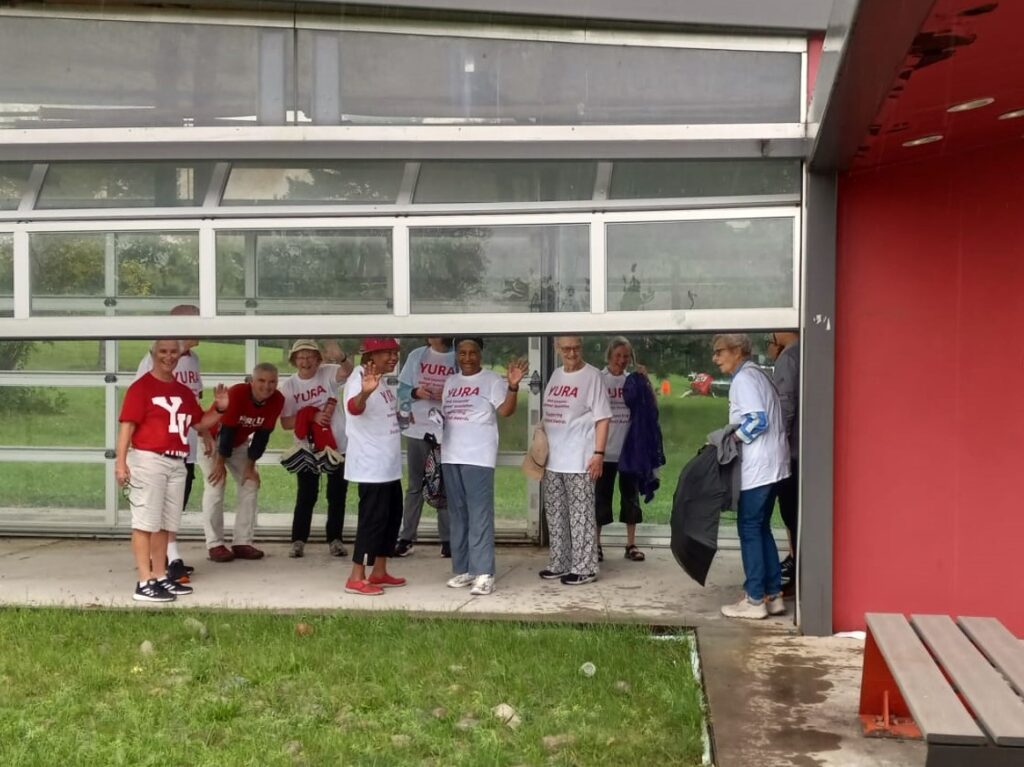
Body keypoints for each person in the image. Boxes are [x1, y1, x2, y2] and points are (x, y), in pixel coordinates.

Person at [117, 339, 228, 602]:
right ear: (153, 354)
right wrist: (121, 462)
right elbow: (127, 426)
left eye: (173, 352)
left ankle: (161, 575)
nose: (168, 357)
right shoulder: (141, 387)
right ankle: (144, 581)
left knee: (166, 523)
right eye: (163, 352)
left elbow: (200, 423)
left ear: (181, 355)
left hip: (177, 460)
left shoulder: (182, 390)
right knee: (145, 522)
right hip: (149, 459)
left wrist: (221, 407)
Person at [712, 334, 790, 620]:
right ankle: (773, 595)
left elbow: (757, 420)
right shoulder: (759, 374)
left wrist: (730, 441)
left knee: (748, 529)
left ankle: (755, 598)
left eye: (719, 352)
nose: (715, 358)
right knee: (761, 528)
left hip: (758, 468)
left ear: (737, 351)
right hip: (774, 465)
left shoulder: (744, 380)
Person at [441, 337, 527, 596]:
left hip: (477, 456)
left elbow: (506, 411)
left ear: (480, 354)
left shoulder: (491, 380)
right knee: (458, 513)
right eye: (462, 353)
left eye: (472, 353)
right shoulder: (451, 381)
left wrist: (512, 387)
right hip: (450, 454)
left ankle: (484, 572)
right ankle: (465, 568)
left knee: (479, 513)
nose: (467, 357)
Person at [134, 303, 204, 583]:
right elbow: (141, 398)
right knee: (157, 507)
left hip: (185, 443)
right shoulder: (154, 359)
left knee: (177, 502)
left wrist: (207, 434)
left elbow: (194, 401)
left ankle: (167, 556)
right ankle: (164, 560)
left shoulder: (193, 359)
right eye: (195, 322)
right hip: (159, 446)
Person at [539, 336, 612, 585]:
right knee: (556, 513)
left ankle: (585, 566)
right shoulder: (556, 375)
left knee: (581, 515)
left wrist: (598, 454)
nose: (572, 353)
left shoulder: (592, 376)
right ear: (557, 349)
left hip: (579, 459)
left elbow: (603, 418)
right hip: (553, 459)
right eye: (566, 348)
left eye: (576, 348)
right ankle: (560, 561)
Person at [198, 363, 284, 563]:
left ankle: (242, 542)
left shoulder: (277, 399)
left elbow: (263, 435)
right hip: (210, 439)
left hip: (238, 442)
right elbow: (225, 431)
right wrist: (219, 463)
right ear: (252, 381)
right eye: (261, 381)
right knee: (216, 484)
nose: (267, 386)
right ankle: (215, 544)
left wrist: (250, 466)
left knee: (250, 482)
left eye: (272, 382)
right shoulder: (237, 393)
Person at [343, 337, 407, 596]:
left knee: (391, 519)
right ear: (370, 356)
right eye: (387, 353)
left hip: (388, 466)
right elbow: (354, 408)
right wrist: (365, 392)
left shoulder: (381, 381)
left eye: (395, 353)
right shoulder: (359, 380)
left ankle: (379, 570)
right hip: (371, 466)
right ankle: (356, 576)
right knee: (372, 520)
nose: (394, 358)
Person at [279, 339, 353, 559]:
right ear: (293, 360)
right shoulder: (290, 386)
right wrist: (311, 415)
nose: (305, 361)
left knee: (337, 494)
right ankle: (298, 540)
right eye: (300, 356)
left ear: (319, 358)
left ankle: (335, 539)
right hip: (307, 448)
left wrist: (340, 356)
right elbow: (285, 423)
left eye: (310, 355)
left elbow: (348, 371)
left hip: (336, 443)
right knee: (306, 495)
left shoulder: (327, 372)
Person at [394, 337, 456, 558]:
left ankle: (448, 539)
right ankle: (407, 537)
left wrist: (447, 395)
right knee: (415, 485)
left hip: (446, 431)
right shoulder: (417, 355)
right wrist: (415, 393)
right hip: (418, 429)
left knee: (444, 486)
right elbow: (402, 391)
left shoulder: (457, 356)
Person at [596, 337, 647, 563]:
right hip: (604, 450)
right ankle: (595, 544)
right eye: (618, 356)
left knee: (630, 498)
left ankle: (631, 543)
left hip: (628, 451)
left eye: (626, 356)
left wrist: (645, 383)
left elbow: (648, 408)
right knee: (600, 498)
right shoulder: (599, 379)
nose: (622, 360)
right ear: (609, 356)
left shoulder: (632, 380)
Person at [768, 331, 800, 593]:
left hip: (792, 452)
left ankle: (798, 570)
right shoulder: (806, 350)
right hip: (807, 449)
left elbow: (785, 406)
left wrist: (779, 442)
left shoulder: (788, 357)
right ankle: (798, 563)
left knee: (791, 512)